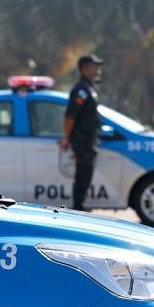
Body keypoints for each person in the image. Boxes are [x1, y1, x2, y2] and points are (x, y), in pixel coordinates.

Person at [60, 54, 104, 211]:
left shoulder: (89, 88)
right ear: (84, 68)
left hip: (89, 141)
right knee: (82, 176)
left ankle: (81, 205)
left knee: (86, 175)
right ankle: (78, 207)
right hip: (82, 141)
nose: (98, 69)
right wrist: (67, 138)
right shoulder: (81, 90)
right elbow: (70, 117)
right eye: (94, 65)